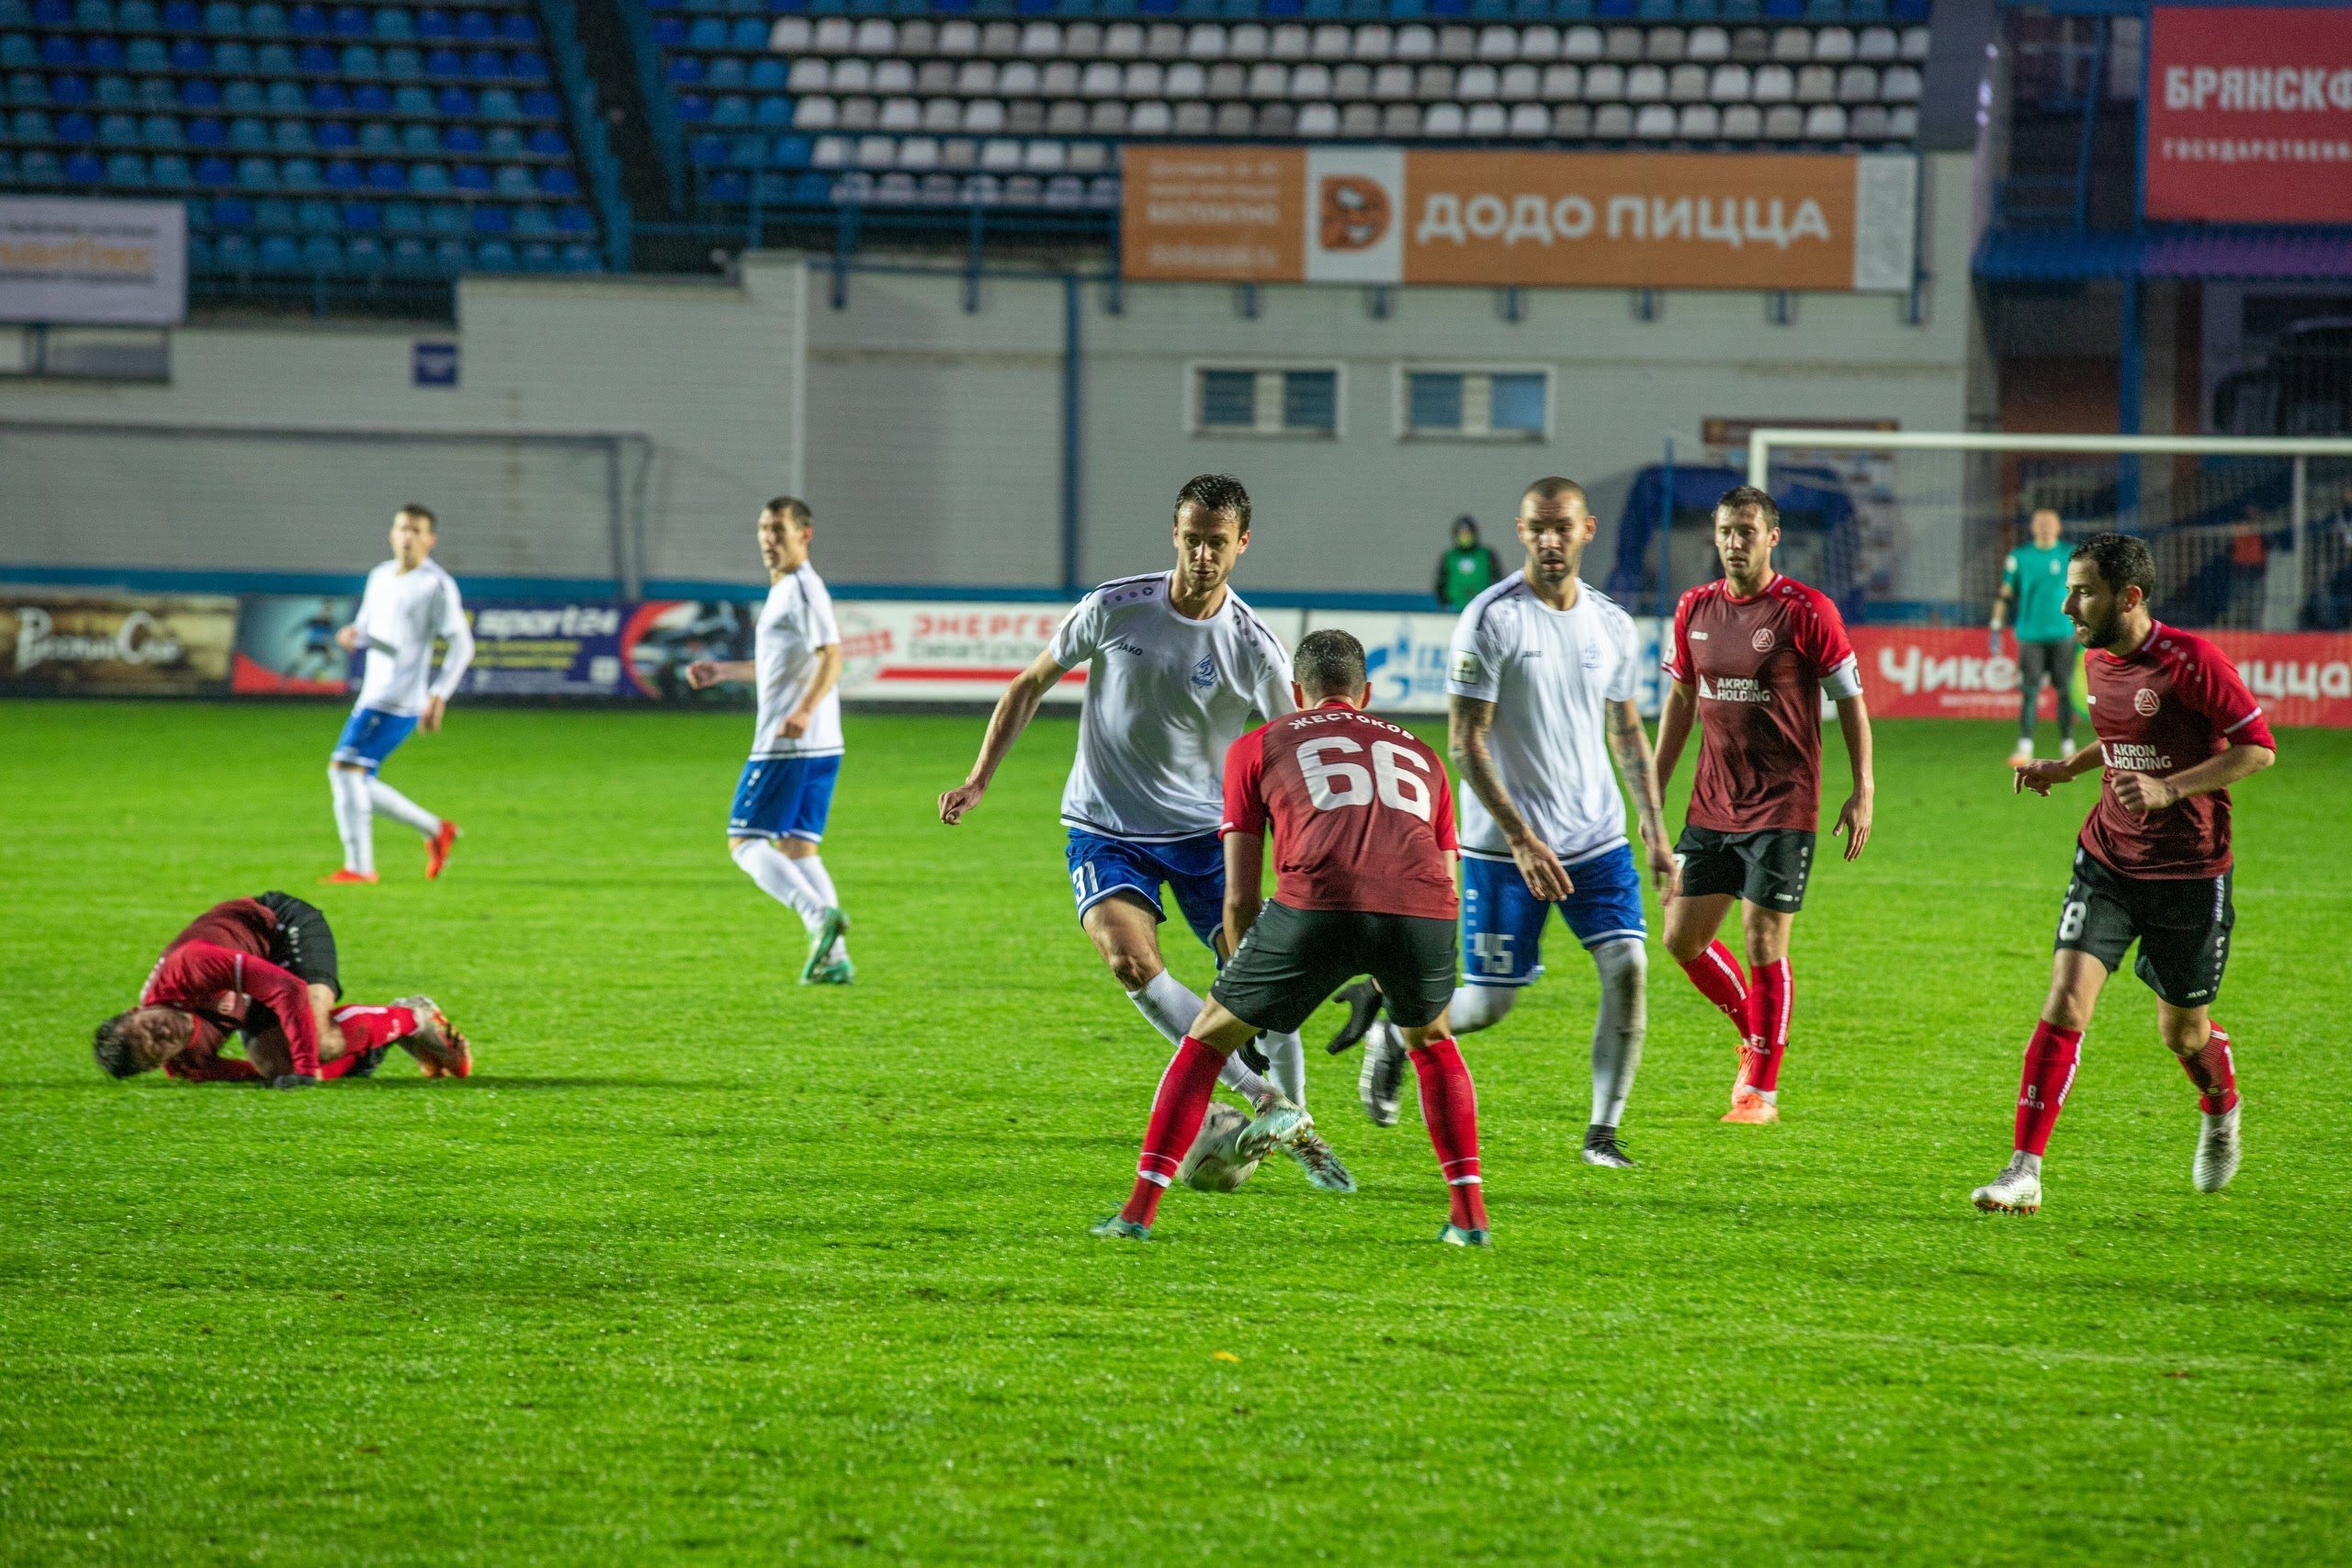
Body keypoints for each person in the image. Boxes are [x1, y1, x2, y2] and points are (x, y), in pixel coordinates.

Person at [939, 474, 1352, 1193]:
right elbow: (1030, 682)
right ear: (1175, 533)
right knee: (1129, 961)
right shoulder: (1114, 606)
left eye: (1216, 543)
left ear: (1242, 545)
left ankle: (1300, 1125)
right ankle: (1268, 1102)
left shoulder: (1252, 646)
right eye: (1190, 539)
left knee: (1265, 991)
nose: (1201, 555)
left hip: (1202, 835)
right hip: (1104, 824)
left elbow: (1292, 745)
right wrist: (980, 778)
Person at [1092, 630, 1485, 1244]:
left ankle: (1137, 1213)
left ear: (1297, 693)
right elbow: (1445, 879)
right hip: (1426, 911)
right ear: (1368, 692)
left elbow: (1241, 894)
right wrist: (1392, 978)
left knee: (1205, 1042)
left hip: (1318, 901)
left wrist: (1248, 996)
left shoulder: (1257, 744)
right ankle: (1470, 1220)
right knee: (1433, 1044)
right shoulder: (1426, 756)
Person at [1340, 478, 1674, 1169]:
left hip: (1597, 839)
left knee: (1631, 967)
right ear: (1520, 533)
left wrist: (1654, 827)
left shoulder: (1611, 623)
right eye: (1536, 529)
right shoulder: (1490, 620)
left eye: (1563, 528)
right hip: (1503, 849)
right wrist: (1521, 837)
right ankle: (1398, 1036)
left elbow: (1627, 729)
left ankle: (1602, 1134)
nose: (1550, 541)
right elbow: (1465, 742)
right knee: (1490, 1005)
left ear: (1587, 530)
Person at [1972, 533, 2277, 1214]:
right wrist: (2064, 768)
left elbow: (2258, 750)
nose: (2068, 603)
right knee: (2065, 1000)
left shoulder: (2192, 661)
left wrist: (2170, 789)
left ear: (2129, 597)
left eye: (2083, 591)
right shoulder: (2099, 660)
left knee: (2184, 1034)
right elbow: (2117, 739)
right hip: (2108, 858)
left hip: (2189, 874)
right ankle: (2025, 1169)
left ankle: (2220, 1103)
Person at [1654, 485, 1874, 1125]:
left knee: (1762, 939)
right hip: (1711, 802)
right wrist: (1653, 791)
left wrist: (1863, 787)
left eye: (1746, 530)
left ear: (1771, 537)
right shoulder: (1694, 607)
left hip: (1784, 804)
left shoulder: (1807, 610)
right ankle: (1754, 1027)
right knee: (1682, 936)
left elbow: (1851, 700)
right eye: (1725, 530)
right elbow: (1680, 702)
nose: (1733, 541)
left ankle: (1760, 1091)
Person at [689, 498, 854, 985]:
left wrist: (802, 711)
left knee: (744, 842)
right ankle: (835, 959)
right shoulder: (788, 589)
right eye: (763, 528)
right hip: (822, 746)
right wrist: (724, 671)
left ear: (805, 534)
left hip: (789, 743)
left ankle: (815, 914)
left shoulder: (802, 589)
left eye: (777, 529)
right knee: (800, 850)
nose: (767, 538)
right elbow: (785, 663)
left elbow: (832, 657)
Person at [90, 892, 471, 1086]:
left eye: (147, 1028)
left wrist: (307, 1067)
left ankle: (415, 1015)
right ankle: (378, 1042)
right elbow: (259, 1077)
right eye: (154, 1048)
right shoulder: (190, 1063)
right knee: (277, 1068)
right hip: (255, 986)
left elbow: (285, 989)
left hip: (280, 928)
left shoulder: (187, 969)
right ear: (162, 1065)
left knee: (316, 1044)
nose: (161, 1033)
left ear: (134, 1011)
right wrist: (289, 1071)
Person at [324, 505, 472, 886]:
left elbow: (462, 645)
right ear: (392, 534)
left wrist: (439, 694)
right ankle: (437, 830)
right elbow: (367, 627)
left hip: (401, 698)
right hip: (372, 693)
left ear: (430, 540)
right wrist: (353, 635)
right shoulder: (379, 576)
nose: (407, 536)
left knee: (344, 769)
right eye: (402, 528)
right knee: (355, 778)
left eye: (416, 530)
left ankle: (360, 868)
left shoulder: (435, 584)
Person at [1993, 506, 2078, 763]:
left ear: (2058, 527)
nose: (2044, 527)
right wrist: (1996, 622)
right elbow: (2007, 591)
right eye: (2039, 522)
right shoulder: (2020, 556)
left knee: (2064, 690)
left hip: (2063, 633)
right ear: (2032, 527)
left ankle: (2068, 746)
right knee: (2029, 691)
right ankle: (2025, 746)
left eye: (2049, 522)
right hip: (2030, 634)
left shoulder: (2070, 556)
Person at [1433, 515, 1503, 612]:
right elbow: (1440, 584)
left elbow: (1498, 581)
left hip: (1482, 610)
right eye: (1461, 534)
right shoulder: (1449, 557)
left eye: (1467, 533)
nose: (1465, 537)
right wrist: (1445, 603)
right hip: (1454, 610)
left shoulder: (1487, 554)